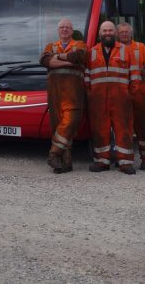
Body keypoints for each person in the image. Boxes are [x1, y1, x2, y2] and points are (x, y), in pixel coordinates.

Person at [84, 21, 136, 174]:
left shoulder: (126, 51)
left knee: (124, 129)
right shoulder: (92, 52)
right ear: (100, 33)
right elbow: (87, 76)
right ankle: (102, 161)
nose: (107, 33)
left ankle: (125, 162)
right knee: (100, 130)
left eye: (110, 30)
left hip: (121, 99)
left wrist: (130, 95)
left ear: (115, 33)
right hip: (98, 99)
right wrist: (90, 95)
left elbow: (134, 75)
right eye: (104, 30)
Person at [39, 19, 88, 174]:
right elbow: (45, 61)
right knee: (58, 125)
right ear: (58, 30)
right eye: (62, 27)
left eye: (67, 27)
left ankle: (53, 154)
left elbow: (80, 57)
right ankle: (65, 163)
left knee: (69, 122)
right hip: (54, 92)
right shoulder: (50, 46)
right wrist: (67, 60)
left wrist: (57, 58)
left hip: (74, 92)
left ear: (72, 31)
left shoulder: (80, 44)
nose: (65, 30)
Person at [117, 22, 145, 170]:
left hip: (140, 93)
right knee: (124, 129)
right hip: (121, 94)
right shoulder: (114, 49)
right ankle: (125, 161)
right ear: (117, 34)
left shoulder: (141, 48)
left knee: (144, 127)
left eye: (126, 32)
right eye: (121, 32)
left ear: (131, 33)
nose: (124, 34)